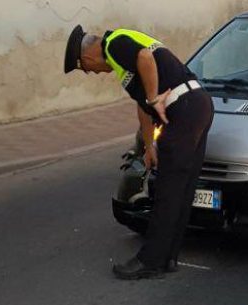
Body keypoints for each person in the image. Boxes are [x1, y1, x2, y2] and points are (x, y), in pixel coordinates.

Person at [64, 26, 214, 280]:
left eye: (88, 69)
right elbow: (143, 107)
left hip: (185, 109)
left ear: (87, 59)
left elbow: (145, 59)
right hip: (196, 106)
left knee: (168, 191)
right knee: (182, 188)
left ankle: (149, 261)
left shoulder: (113, 43)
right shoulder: (123, 58)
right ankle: (168, 258)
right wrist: (147, 147)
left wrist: (154, 98)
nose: (95, 73)